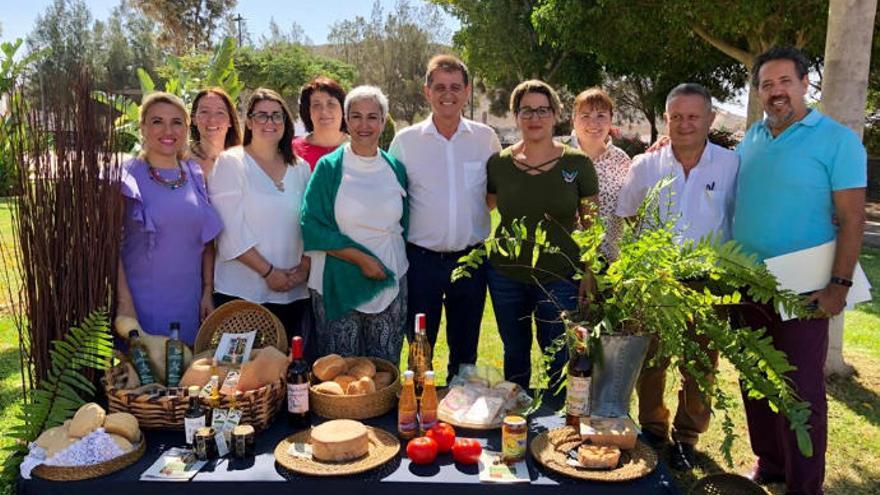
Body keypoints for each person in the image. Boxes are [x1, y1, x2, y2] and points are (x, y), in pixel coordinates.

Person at [733, 46, 866, 495]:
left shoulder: (838, 140)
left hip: (804, 287)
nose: (775, 92)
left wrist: (838, 286)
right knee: (755, 379)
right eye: (766, 85)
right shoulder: (749, 138)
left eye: (784, 81)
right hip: (747, 283)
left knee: (800, 391)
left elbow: (852, 218)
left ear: (806, 82)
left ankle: (804, 484)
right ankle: (769, 463)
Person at [616, 83, 738, 471]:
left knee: (700, 365)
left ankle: (687, 437)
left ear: (710, 119)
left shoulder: (731, 165)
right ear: (666, 120)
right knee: (651, 362)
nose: (685, 124)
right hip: (655, 282)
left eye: (693, 116)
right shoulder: (646, 165)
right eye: (677, 117)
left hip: (709, 283)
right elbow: (629, 212)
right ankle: (653, 428)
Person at [389, 54, 501, 380]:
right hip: (420, 261)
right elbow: (391, 197)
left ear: (467, 91)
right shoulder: (405, 142)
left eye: (455, 86)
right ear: (427, 91)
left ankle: (460, 412)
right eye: (439, 86)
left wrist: (465, 218)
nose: (447, 93)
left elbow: (492, 194)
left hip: (471, 260)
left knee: (466, 349)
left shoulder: (485, 138)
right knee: (419, 348)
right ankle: (421, 412)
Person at [486, 80, 598, 391]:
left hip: (559, 277)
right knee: (515, 354)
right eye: (526, 111)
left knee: (559, 357)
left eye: (542, 110)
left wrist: (590, 271)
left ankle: (556, 429)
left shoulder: (578, 163)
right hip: (506, 276)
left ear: (555, 115)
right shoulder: (499, 164)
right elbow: (485, 207)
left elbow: (592, 226)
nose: (535, 118)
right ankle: (516, 422)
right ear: (516, 116)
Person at [301, 85, 409, 365]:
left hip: (389, 280)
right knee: (341, 372)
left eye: (373, 117)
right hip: (337, 284)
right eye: (356, 116)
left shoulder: (395, 168)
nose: (364, 125)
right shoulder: (329, 168)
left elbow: (402, 225)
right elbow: (310, 226)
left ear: (383, 122)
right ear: (346, 120)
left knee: (384, 372)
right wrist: (360, 259)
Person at [116, 91, 222, 344]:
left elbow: (206, 240)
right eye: (157, 121)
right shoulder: (127, 176)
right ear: (142, 127)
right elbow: (110, 248)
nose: (168, 130)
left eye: (176, 122)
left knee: (188, 376)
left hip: (189, 302)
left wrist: (207, 291)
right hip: (143, 304)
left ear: (186, 129)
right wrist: (125, 303)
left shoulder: (194, 173)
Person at [209, 88, 312, 342]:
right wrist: (268, 273)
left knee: (288, 374)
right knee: (242, 377)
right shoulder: (231, 162)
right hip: (242, 292)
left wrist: (304, 269)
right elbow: (230, 230)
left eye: (277, 116)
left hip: (293, 292)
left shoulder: (300, 168)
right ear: (250, 121)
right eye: (262, 116)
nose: (270, 122)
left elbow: (311, 223)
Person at [570, 88, 632, 260]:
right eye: (585, 115)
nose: (593, 123)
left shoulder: (622, 160)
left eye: (601, 115)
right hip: (564, 265)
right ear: (573, 119)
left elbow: (633, 213)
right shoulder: (559, 156)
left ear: (611, 120)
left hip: (609, 264)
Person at [293, 77, 348, 170]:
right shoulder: (292, 151)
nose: (324, 111)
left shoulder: (359, 148)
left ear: (343, 109)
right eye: (316, 105)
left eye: (331, 104)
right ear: (308, 111)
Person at [189, 87, 242, 179]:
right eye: (204, 112)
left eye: (220, 113)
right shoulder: (180, 161)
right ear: (194, 119)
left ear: (230, 121)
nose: (212, 119)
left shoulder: (243, 165)